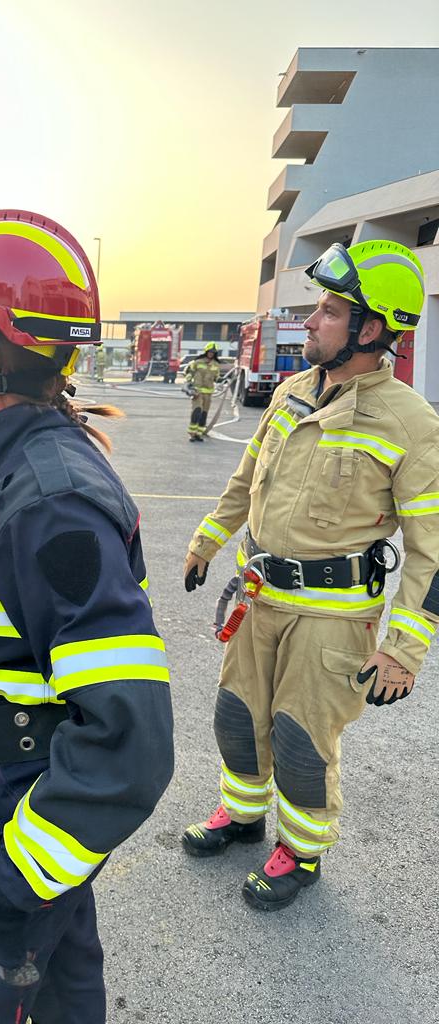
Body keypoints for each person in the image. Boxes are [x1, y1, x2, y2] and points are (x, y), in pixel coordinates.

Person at [0, 210, 175, 1020]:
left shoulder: (49, 504)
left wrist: (11, 888)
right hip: (19, 810)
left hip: (15, 836)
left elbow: (130, 743)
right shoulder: (15, 467)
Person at [181, 239, 438, 910]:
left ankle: (300, 852)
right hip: (259, 596)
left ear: (370, 329)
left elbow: (432, 550)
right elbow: (248, 477)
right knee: (237, 716)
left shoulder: (411, 424)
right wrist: (207, 541)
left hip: (332, 619)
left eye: (328, 311)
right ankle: (243, 817)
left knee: (300, 739)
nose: (310, 322)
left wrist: (403, 650)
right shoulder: (292, 392)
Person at [184, 341, 220, 441]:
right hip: (197, 392)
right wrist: (188, 382)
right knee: (197, 411)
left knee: (204, 414)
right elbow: (189, 372)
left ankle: (199, 433)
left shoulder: (216, 365)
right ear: (206, 351)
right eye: (210, 352)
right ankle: (192, 433)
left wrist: (223, 379)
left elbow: (216, 377)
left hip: (208, 393)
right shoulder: (197, 362)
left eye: (213, 352)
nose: (211, 354)